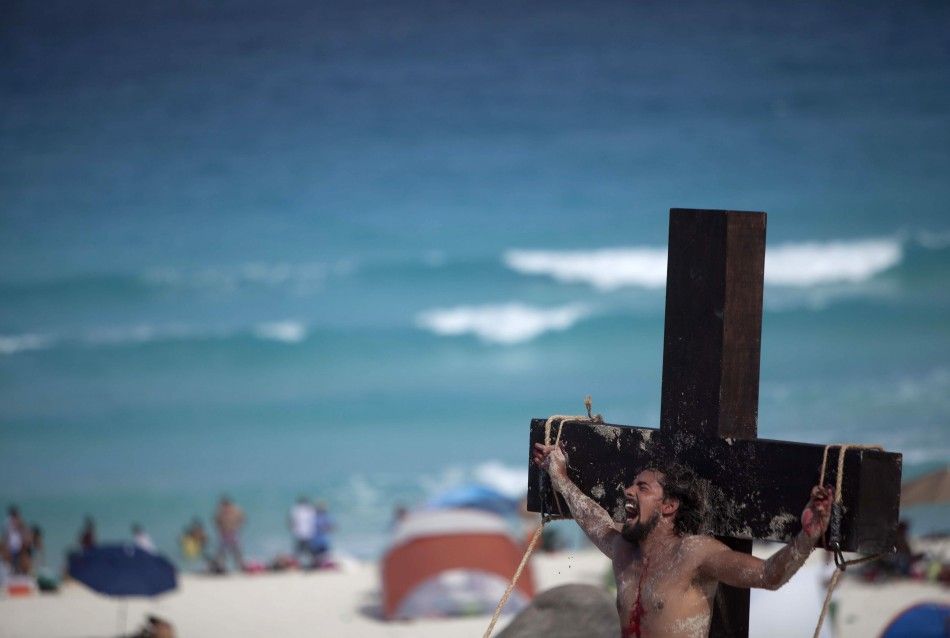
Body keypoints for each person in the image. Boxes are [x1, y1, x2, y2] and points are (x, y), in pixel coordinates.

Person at [533, 442, 833, 638]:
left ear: (669, 506)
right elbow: (591, 516)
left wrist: (807, 537)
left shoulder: (694, 553)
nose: (628, 491)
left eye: (642, 487)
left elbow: (769, 575)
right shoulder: (624, 551)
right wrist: (559, 477)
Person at [214, 496, 245, 572]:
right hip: (225, 534)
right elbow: (216, 522)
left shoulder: (235, 511)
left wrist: (237, 527)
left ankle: (239, 566)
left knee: (236, 551)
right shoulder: (221, 512)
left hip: (232, 533)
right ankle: (221, 567)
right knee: (223, 552)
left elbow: (242, 519)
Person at [288, 497, 316, 564]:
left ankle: (296, 563)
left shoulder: (296, 509)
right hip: (308, 533)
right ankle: (312, 563)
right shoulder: (310, 509)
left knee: (299, 550)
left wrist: (292, 529)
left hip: (299, 533)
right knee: (309, 550)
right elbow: (313, 521)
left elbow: (291, 522)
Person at [308, 500, 335, 568]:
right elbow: (330, 527)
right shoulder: (324, 517)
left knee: (316, 557)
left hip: (313, 541)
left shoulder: (312, 517)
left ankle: (317, 566)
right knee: (325, 556)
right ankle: (323, 565)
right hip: (322, 540)